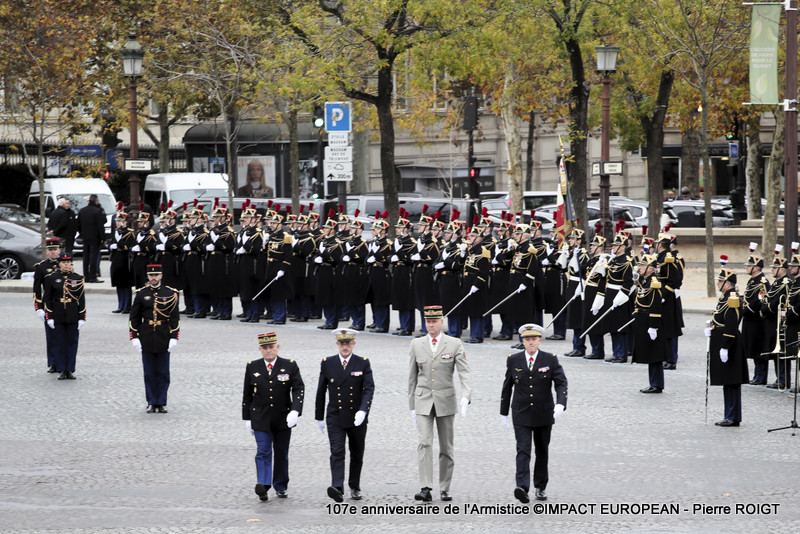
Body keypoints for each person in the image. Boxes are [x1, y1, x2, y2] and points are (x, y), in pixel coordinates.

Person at [408, 305, 472, 502]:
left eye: (434, 321)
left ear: (441, 322)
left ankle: (445, 487)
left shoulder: (454, 344)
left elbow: (464, 372)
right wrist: (412, 406)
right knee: (424, 443)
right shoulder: (416, 344)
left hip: (446, 401)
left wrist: (466, 395)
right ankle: (425, 487)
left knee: (446, 447)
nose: (431, 325)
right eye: (428, 322)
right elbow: (412, 377)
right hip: (423, 400)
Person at [500, 324, 568, 503]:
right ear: (522, 341)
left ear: (540, 341)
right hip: (521, 412)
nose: (530, 343)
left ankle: (540, 486)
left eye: (534, 339)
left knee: (542, 450)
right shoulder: (514, 360)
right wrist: (503, 412)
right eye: (527, 340)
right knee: (523, 449)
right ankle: (522, 487)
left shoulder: (550, 359)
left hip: (543, 412)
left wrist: (561, 403)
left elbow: (561, 382)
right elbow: (507, 386)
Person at [242, 332, 304, 501]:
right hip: (260, 417)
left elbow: (298, 388)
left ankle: (281, 485)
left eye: (271, 347)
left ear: (277, 347)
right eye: (265, 348)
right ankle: (263, 485)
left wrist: (295, 410)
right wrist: (247, 418)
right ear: (260, 349)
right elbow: (247, 394)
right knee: (263, 451)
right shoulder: (252, 366)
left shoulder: (289, 365)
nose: (268, 350)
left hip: (283, 417)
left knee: (281, 453)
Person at [315, 329, 375, 502]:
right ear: (337, 344)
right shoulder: (328, 363)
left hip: (357, 415)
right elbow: (321, 390)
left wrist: (363, 410)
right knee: (337, 451)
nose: (345, 347)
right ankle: (337, 487)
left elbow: (368, 389)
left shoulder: (362, 363)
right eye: (342, 343)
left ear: (353, 344)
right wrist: (319, 416)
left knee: (357, 452)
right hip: (335, 414)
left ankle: (354, 486)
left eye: (348, 343)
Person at [129, 264, 180, 413]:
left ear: (161, 276)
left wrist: (174, 337)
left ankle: (161, 401)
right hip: (147, 335)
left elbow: (175, 317)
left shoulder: (170, 293)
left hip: (164, 335)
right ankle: (151, 401)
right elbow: (134, 317)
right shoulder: (141, 294)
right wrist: (134, 337)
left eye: (156, 275)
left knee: (163, 372)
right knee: (149, 372)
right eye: (151, 275)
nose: (153, 278)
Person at [705, 262, 748, 426]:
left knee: (731, 381)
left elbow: (731, 325)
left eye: (720, 281)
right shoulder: (725, 298)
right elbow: (720, 319)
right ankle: (729, 414)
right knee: (727, 381)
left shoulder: (732, 299)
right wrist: (712, 328)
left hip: (730, 344)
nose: (718, 283)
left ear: (728, 284)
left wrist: (725, 346)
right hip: (723, 341)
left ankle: (732, 416)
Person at [43, 253, 86, 379]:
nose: (66, 265)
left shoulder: (77, 278)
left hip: (72, 313)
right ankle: (61, 368)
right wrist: (49, 316)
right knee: (59, 342)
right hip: (58, 313)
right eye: (63, 262)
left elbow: (81, 299)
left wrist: (82, 317)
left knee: (72, 342)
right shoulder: (52, 278)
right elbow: (47, 298)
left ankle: (70, 369)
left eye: (68, 262)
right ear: (59, 264)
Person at [632, 254, 667, 393]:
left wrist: (653, 326)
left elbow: (655, 306)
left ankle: (657, 384)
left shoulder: (654, 283)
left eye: (642, 265)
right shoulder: (645, 281)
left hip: (650, 321)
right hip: (643, 319)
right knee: (650, 353)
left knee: (654, 354)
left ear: (650, 268)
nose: (639, 268)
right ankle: (653, 382)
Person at [33, 238, 63, 373]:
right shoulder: (41, 267)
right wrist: (38, 308)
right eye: (50, 250)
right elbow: (37, 290)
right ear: (47, 251)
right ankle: (53, 362)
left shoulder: (65, 264)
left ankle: (63, 362)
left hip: (63, 304)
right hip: (49, 304)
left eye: (55, 249)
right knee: (51, 336)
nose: (53, 252)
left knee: (63, 335)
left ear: (59, 250)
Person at [77, 194, 107, 283]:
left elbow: (78, 224)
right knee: (93, 257)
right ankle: (93, 277)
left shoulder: (82, 211)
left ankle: (86, 276)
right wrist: (103, 238)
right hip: (95, 237)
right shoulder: (97, 211)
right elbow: (100, 226)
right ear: (96, 202)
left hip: (85, 237)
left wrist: (82, 234)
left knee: (86, 257)